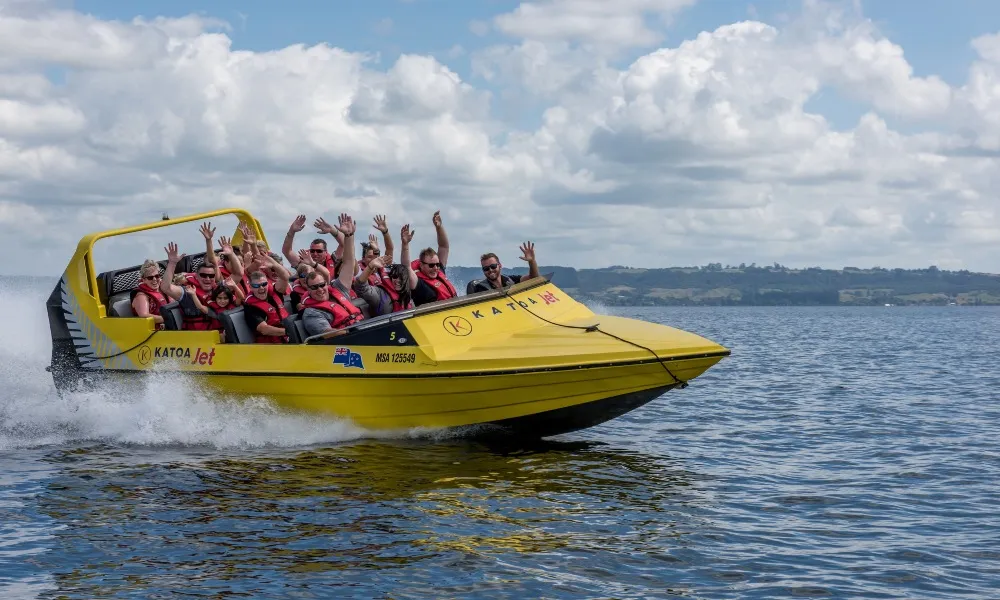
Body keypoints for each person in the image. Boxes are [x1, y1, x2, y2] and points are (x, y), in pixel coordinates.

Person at [301, 213, 365, 337]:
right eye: (314, 287)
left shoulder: (338, 289)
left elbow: (348, 262)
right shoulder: (311, 312)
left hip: (362, 329)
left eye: (321, 285)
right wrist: (355, 332)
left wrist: (349, 236)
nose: (320, 289)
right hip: (347, 342)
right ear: (308, 289)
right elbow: (327, 334)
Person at [410, 210, 457, 306]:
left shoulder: (438, 271)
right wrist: (405, 244)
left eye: (437, 264)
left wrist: (439, 227)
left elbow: (444, 246)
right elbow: (406, 265)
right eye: (431, 265)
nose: (435, 268)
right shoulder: (418, 283)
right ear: (421, 265)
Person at [242, 255, 292, 343]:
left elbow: (285, 277)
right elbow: (264, 329)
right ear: (250, 287)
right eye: (256, 286)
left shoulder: (275, 291)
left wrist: (274, 265)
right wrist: (289, 332)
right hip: (270, 345)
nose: (261, 288)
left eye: (264, 284)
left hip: (287, 337)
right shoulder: (250, 306)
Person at [466, 242, 541, 294]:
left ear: (500, 265)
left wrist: (532, 261)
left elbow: (533, 278)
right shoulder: (478, 288)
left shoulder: (511, 280)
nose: (490, 270)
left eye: (493, 266)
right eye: (486, 268)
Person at [131, 260, 166, 328]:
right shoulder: (141, 296)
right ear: (144, 280)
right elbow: (144, 316)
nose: (154, 279)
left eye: (157, 276)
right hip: (153, 333)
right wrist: (167, 319)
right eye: (150, 278)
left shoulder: (164, 289)